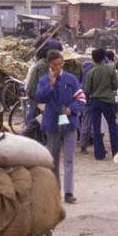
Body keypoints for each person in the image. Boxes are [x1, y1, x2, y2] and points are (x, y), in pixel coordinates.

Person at [36, 50, 86, 204]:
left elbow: (81, 98)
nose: (58, 67)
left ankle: (69, 192)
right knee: (53, 160)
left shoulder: (70, 79)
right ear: (49, 64)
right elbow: (39, 97)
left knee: (69, 158)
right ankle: (54, 190)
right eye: (54, 65)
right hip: (52, 123)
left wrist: (72, 108)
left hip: (69, 122)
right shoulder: (44, 80)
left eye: (60, 64)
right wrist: (50, 85)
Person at [84, 48, 118, 160]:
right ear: (104, 57)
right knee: (112, 126)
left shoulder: (90, 72)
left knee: (96, 128)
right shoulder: (110, 70)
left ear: (93, 58)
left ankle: (99, 154)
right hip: (107, 101)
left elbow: (87, 89)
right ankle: (116, 151)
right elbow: (116, 85)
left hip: (94, 101)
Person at [23, 47, 50, 140]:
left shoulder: (41, 64)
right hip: (36, 95)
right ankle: (25, 135)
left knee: (36, 117)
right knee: (37, 118)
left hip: (35, 94)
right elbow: (43, 82)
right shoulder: (42, 66)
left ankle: (36, 138)